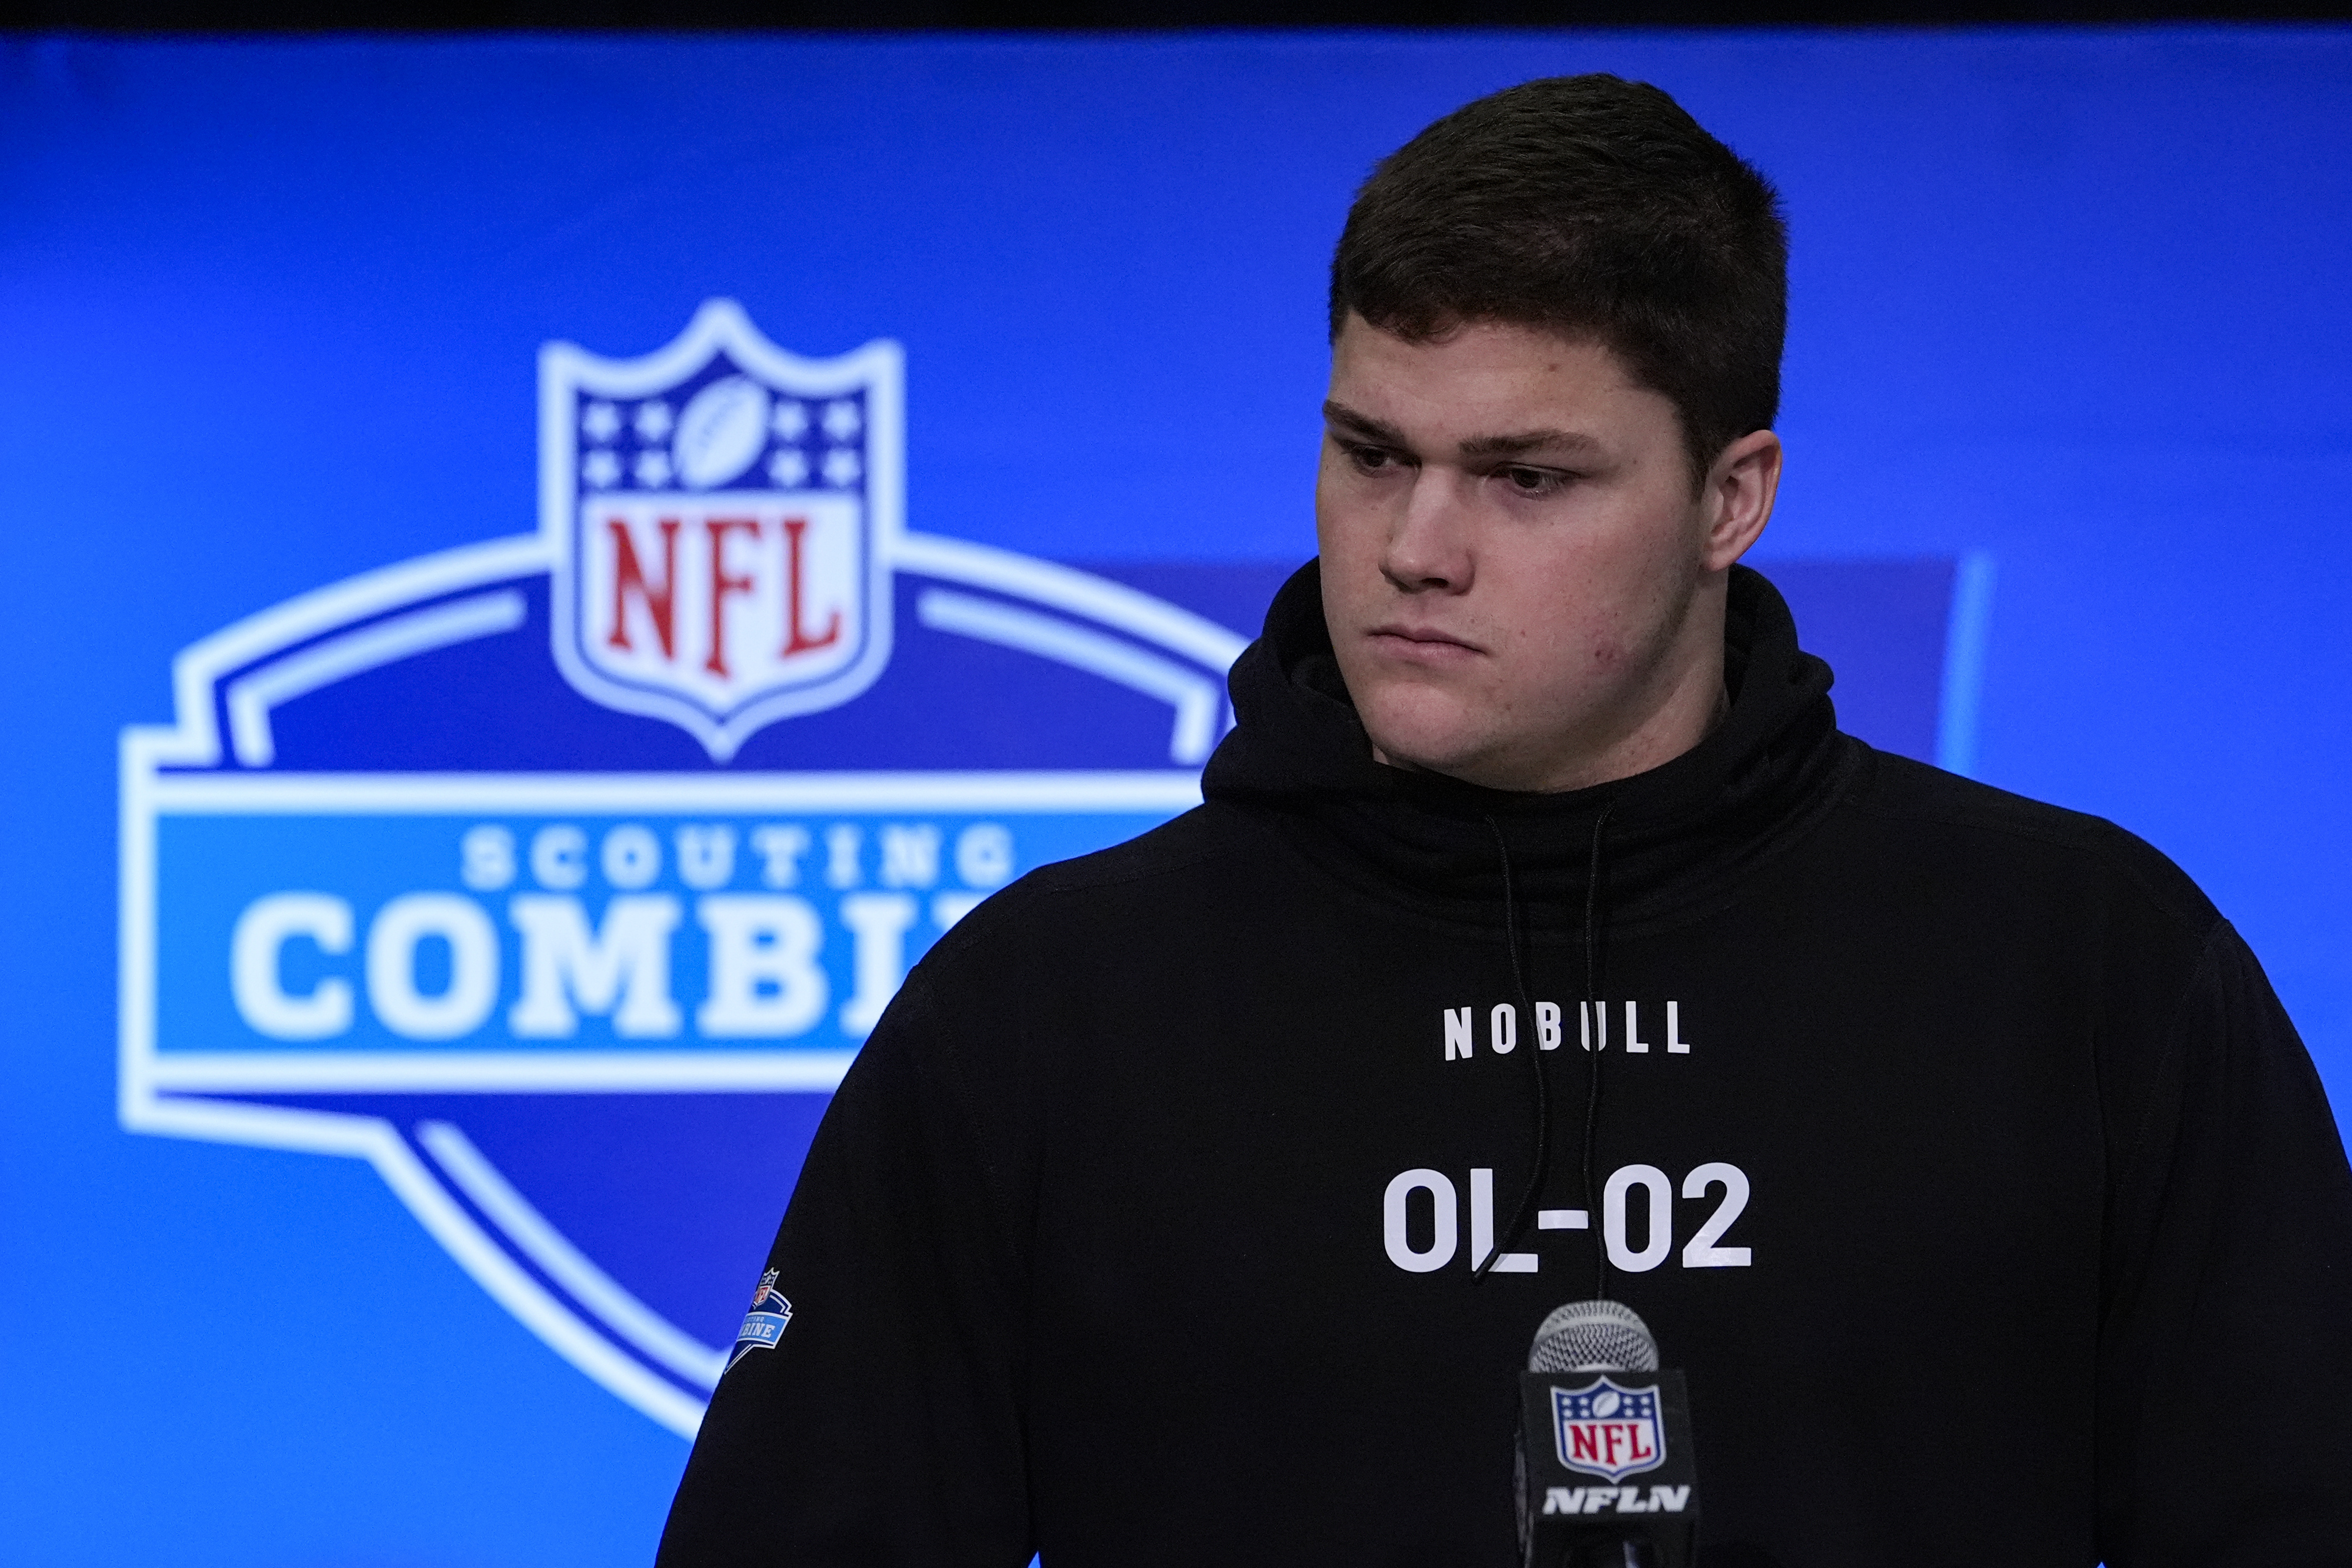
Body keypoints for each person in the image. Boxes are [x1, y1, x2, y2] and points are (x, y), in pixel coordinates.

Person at [657, 75, 2352, 1566]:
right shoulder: (1045, 1005)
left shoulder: (2082, 967)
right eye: (1370, 454)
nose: (1415, 546)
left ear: (1731, 498)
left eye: (1526, 478)